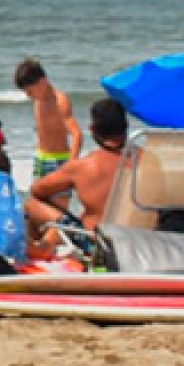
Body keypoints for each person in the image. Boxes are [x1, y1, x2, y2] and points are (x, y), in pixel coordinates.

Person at [24, 99, 127, 254]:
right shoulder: (149, 161)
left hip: (97, 246)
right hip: (139, 242)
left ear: (92, 129)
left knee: (32, 205)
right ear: (125, 127)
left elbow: (37, 190)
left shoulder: (83, 166)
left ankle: (41, 252)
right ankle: (48, 245)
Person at [15, 58, 82, 189]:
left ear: (43, 82)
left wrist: (71, 164)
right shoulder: (38, 100)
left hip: (59, 160)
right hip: (40, 159)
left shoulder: (60, 102)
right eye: (25, 92)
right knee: (36, 202)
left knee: (57, 206)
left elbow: (77, 134)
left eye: (30, 91)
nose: (28, 95)